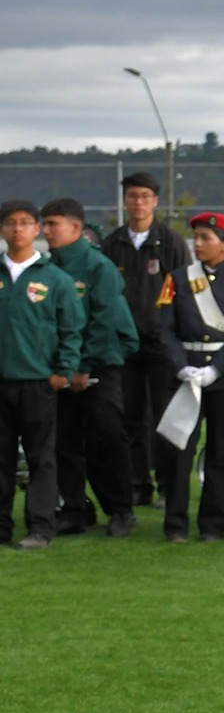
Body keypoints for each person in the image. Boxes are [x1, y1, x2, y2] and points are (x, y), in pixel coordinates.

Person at [40, 198, 140, 539]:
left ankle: (121, 509)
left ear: (76, 228)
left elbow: (103, 321)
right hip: (60, 369)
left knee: (106, 437)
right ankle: (74, 508)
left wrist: (84, 366)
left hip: (100, 367)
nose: (46, 231)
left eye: (53, 224)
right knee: (64, 443)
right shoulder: (49, 268)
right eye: (45, 224)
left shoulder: (98, 267)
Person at [103, 170, 192, 511]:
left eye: (145, 197)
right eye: (132, 196)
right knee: (130, 419)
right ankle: (138, 485)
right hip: (124, 347)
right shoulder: (112, 245)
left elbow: (183, 293)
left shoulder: (170, 242)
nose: (138, 203)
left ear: (155, 201)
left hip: (162, 346)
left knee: (164, 418)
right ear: (124, 201)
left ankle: (167, 486)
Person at [0, 199, 84, 551]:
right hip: (1, 382)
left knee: (41, 458)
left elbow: (71, 329)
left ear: (36, 230)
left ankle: (40, 526)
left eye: (24, 223)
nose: (17, 229)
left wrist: (62, 372)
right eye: (10, 223)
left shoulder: (55, 279)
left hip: (38, 382)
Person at [161, 211, 224, 544]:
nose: (197, 243)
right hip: (184, 376)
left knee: (220, 451)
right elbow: (166, 330)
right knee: (178, 451)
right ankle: (175, 525)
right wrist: (181, 366)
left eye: (205, 238)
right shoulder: (178, 279)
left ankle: (213, 526)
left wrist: (216, 369)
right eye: (195, 237)